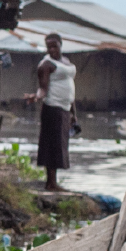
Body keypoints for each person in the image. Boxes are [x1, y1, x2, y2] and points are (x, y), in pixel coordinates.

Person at [22, 33, 76, 192]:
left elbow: (70, 88)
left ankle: (53, 182)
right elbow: (43, 88)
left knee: (61, 144)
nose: (52, 49)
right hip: (52, 108)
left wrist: (74, 113)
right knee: (52, 144)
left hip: (65, 108)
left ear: (61, 44)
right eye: (49, 47)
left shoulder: (66, 61)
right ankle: (51, 182)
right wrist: (36, 97)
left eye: (55, 46)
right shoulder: (45, 64)